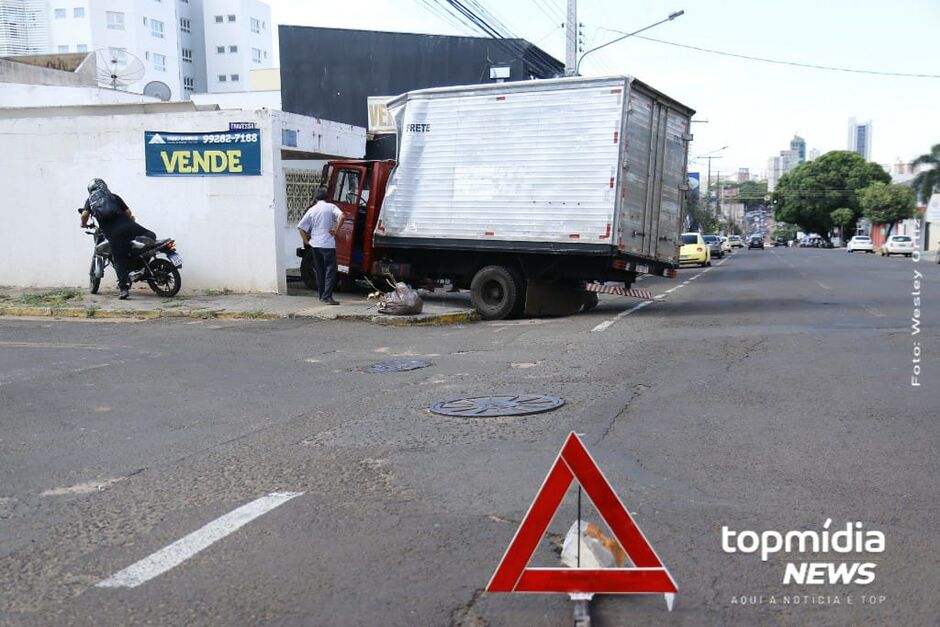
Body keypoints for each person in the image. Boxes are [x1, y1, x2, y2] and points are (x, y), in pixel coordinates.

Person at [80, 179, 156, 300]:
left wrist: (83, 224)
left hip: (114, 233)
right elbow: (129, 213)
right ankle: (141, 261)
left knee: (118, 259)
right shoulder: (114, 196)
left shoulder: (90, 201)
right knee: (151, 236)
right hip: (129, 226)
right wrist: (127, 221)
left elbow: (84, 215)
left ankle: (124, 289)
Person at [297, 187, 345, 305]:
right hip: (328, 245)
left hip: (315, 245)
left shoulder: (312, 210)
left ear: (316, 198)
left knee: (319, 271)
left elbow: (300, 227)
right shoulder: (331, 207)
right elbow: (342, 216)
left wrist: (306, 241)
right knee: (330, 270)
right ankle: (328, 297)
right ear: (327, 197)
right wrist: (335, 229)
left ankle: (322, 296)